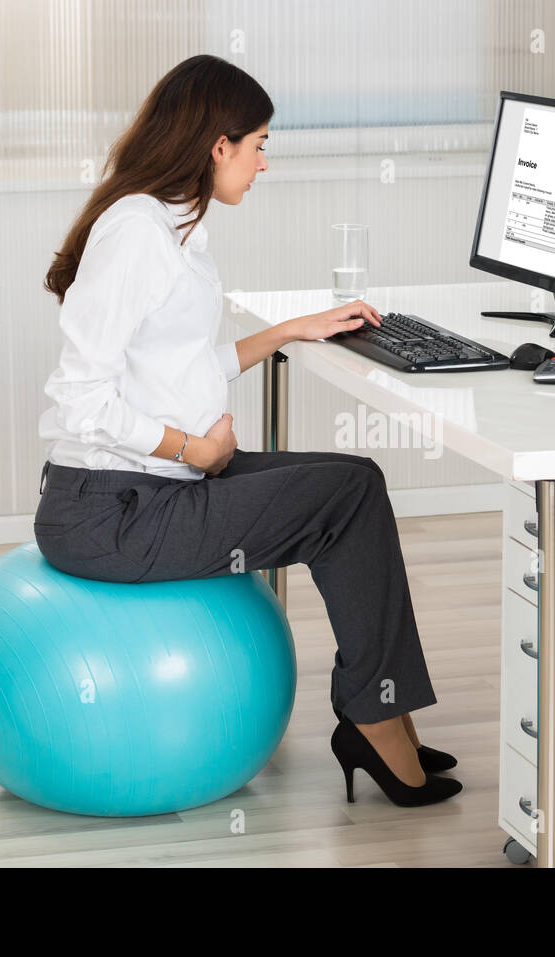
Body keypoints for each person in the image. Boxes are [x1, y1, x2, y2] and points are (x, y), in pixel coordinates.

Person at [36, 54, 460, 809]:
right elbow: (79, 398)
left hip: (148, 491)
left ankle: (381, 707)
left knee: (354, 483)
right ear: (216, 145)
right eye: (259, 144)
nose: (265, 163)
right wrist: (192, 448)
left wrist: (291, 330)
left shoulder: (171, 224)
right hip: (111, 513)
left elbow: (179, 369)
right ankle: (376, 718)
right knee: (348, 499)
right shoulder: (137, 233)